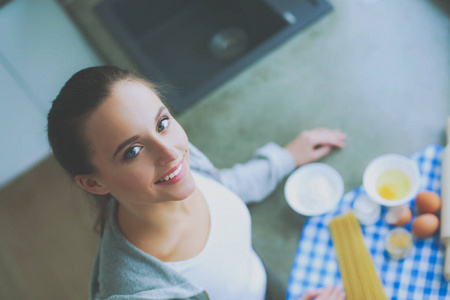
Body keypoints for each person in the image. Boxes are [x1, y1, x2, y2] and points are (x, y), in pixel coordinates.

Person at [47, 66, 346, 300]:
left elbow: (222, 185)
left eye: (162, 123)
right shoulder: (141, 293)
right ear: (94, 183)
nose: (170, 152)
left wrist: (285, 158)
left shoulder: (179, 168)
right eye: (132, 151)